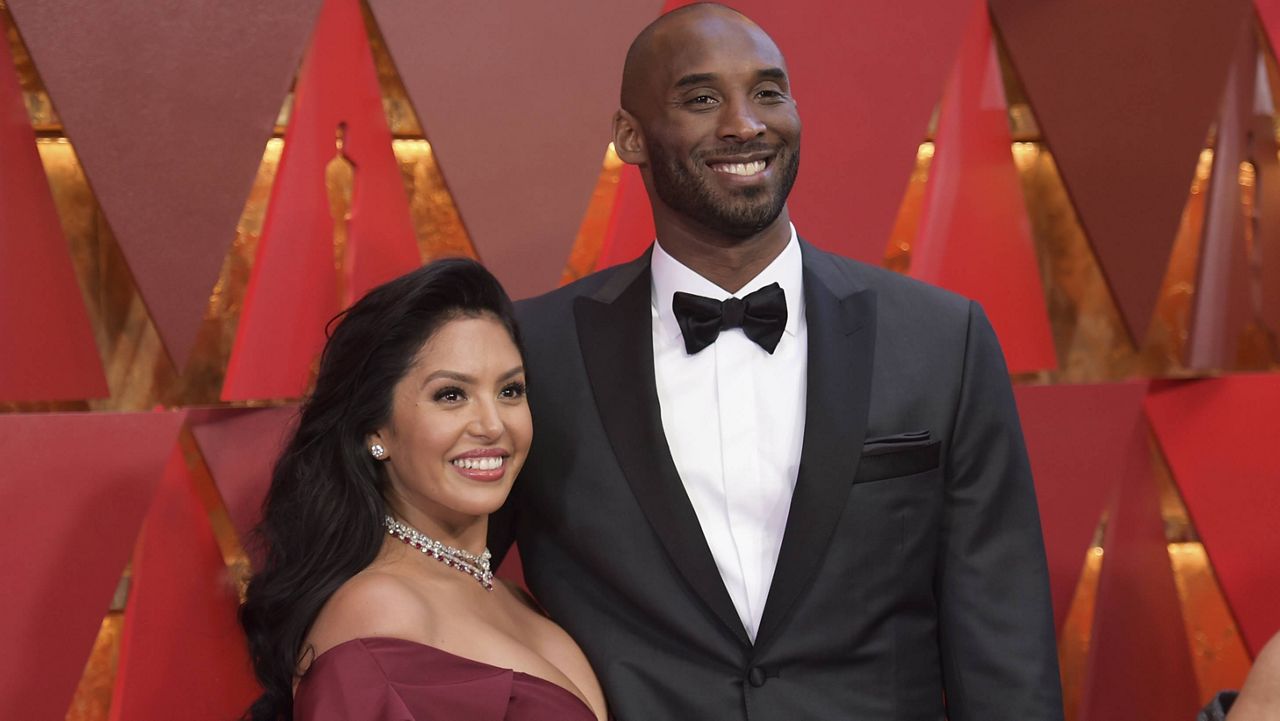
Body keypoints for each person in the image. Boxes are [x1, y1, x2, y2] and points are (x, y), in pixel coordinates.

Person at [491, 4, 1063, 719]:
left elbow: (1005, 642)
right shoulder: (533, 352)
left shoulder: (943, 340)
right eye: (702, 99)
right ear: (630, 137)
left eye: (767, 92)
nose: (745, 124)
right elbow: (440, 575)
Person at [239, 259, 606, 721]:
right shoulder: (377, 612)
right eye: (451, 395)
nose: (493, 424)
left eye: (510, 391)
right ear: (375, 430)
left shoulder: (513, 598)